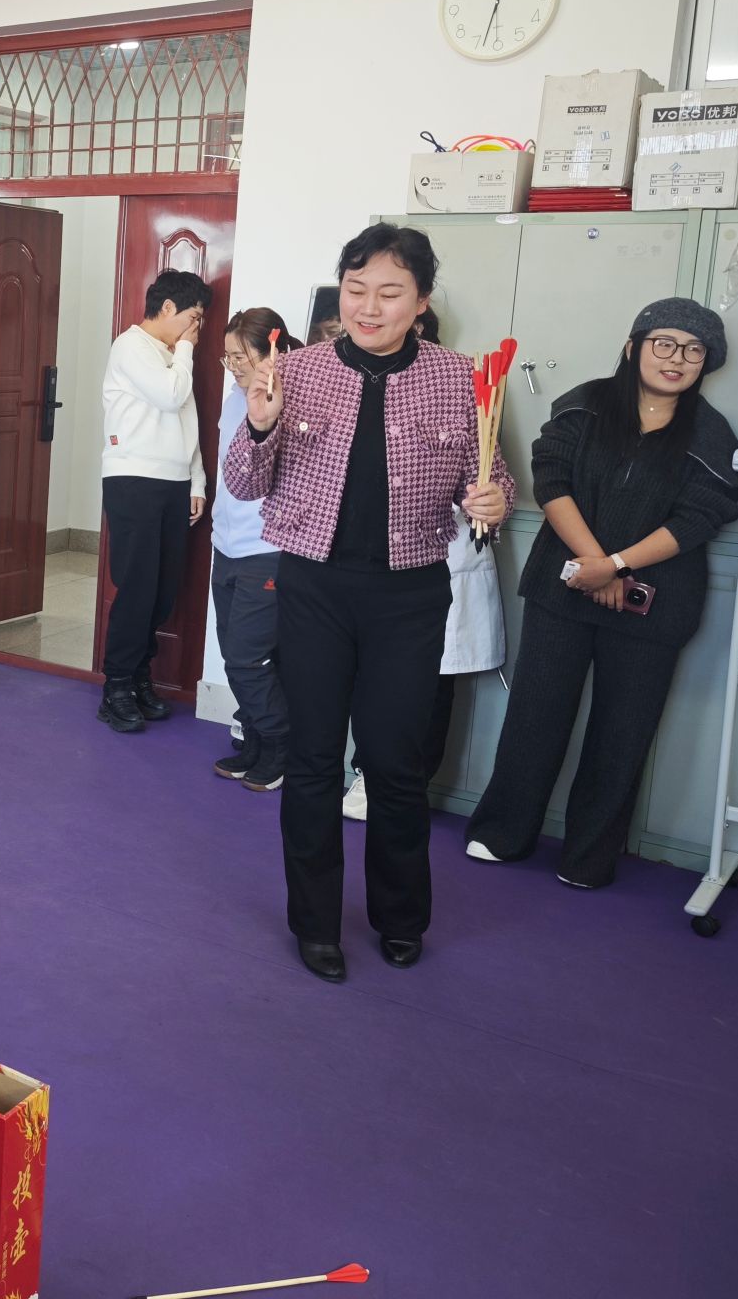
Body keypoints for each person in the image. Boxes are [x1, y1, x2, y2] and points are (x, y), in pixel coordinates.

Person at [223, 223, 512, 983]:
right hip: (314, 586)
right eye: (356, 290)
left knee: (394, 764)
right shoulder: (295, 370)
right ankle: (315, 923)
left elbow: (490, 480)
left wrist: (492, 499)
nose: (369, 307)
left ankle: (400, 917)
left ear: (421, 302)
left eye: (389, 293)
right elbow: (244, 484)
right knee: (314, 759)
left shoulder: (460, 378)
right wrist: (259, 423)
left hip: (409, 594)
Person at [465, 299, 738, 889]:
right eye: (664, 343)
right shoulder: (584, 404)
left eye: (694, 350)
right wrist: (597, 566)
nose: (677, 358)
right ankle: (503, 831)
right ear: (633, 347)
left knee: (623, 733)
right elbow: (551, 480)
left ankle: (588, 857)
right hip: (563, 587)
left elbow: (700, 517)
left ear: (706, 363)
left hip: (653, 605)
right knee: (535, 715)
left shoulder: (712, 434)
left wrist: (615, 566)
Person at [343, 308, 506, 822]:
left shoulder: (461, 393)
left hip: (442, 561)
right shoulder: (357, 391)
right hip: (375, 572)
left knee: (432, 687)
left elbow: (490, 481)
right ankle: (366, 771)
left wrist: (488, 500)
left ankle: (408, 782)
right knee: (371, 679)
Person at [96, 268, 211, 733]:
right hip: (134, 480)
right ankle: (117, 686)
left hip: (173, 483)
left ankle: (140, 674)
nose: (196, 328)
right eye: (193, 317)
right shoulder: (131, 346)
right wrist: (186, 348)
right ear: (167, 308)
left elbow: (187, 419)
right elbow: (169, 395)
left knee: (163, 590)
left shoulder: (172, 354)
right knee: (138, 586)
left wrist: (197, 482)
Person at [209, 307, 297, 789]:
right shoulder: (232, 400)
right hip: (226, 545)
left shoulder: (287, 401)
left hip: (267, 549)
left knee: (249, 656)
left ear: (271, 353)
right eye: (227, 358)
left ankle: (280, 745)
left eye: (239, 357)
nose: (233, 367)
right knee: (234, 653)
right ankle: (257, 739)